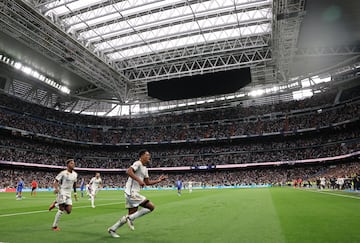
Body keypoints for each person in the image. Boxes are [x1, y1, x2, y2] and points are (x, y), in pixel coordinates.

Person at [107, 149, 168, 238]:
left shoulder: (145, 169)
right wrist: (139, 180)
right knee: (151, 207)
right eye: (147, 155)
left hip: (133, 193)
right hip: (131, 192)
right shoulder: (138, 163)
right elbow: (129, 171)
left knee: (131, 215)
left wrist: (159, 180)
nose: (149, 157)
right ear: (142, 156)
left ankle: (112, 229)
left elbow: (147, 182)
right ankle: (130, 219)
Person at [51, 159, 78, 231]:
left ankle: (56, 204)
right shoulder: (63, 173)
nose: (73, 164)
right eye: (72, 163)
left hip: (69, 193)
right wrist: (56, 188)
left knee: (68, 211)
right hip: (62, 192)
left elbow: (74, 184)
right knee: (61, 209)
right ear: (68, 165)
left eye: (74, 163)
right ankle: (54, 226)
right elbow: (56, 181)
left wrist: (75, 193)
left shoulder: (75, 174)